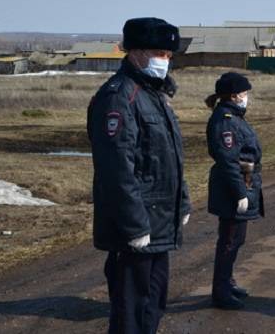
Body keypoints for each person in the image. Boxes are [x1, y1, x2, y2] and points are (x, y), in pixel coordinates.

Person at [88, 17, 191, 333]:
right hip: (136, 228)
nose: (165, 60)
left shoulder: (153, 94)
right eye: (159, 52)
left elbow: (168, 157)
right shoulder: (119, 97)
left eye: (169, 54)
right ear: (134, 51)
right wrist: (133, 226)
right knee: (130, 314)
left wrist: (182, 203)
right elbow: (117, 168)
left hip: (159, 222)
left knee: (153, 304)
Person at [205, 72, 264, 310]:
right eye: (245, 93)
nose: (247, 97)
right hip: (233, 187)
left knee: (236, 239)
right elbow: (228, 160)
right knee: (229, 241)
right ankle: (220, 291)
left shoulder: (233, 116)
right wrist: (240, 193)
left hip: (243, 183)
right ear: (233, 95)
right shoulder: (225, 120)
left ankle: (227, 282)